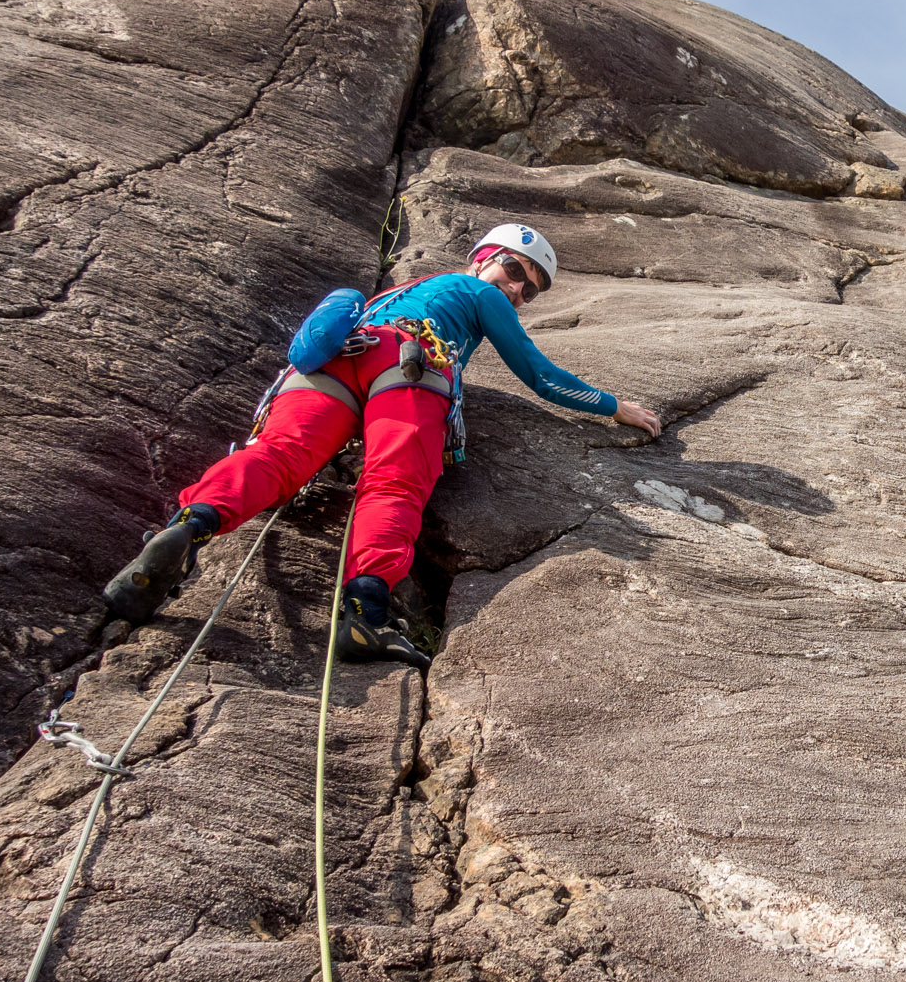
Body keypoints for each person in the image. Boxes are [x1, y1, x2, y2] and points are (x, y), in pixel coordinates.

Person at [103, 223, 661, 670]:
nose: (516, 288)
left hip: (336, 362)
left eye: (529, 289)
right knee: (395, 482)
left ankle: (191, 525)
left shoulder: (390, 294)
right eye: (514, 269)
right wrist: (615, 406)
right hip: (410, 367)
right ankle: (365, 614)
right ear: (482, 259)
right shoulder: (474, 290)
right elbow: (538, 375)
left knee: (277, 454)